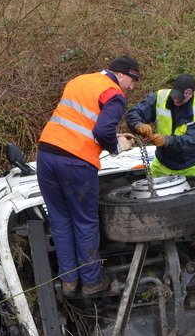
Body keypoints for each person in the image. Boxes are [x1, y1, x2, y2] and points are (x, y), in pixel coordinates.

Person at [36, 56, 140, 296]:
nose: (131, 87)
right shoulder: (114, 93)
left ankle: (69, 283)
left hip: (46, 156)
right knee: (85, 222)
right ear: (121, 74)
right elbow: (101, 130)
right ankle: (92, 282)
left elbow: (78, 120)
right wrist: (116, 146)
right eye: (132, 81)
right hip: (75, 163)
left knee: (61, 221)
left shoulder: (79, 81)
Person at [125, 73, 195, 266]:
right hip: (164, 163)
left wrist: (168, 140)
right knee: (151, 202)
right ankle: (158, 246)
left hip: (192, 165)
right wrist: (138, 124)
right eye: (174, 96)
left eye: (179, 98)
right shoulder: (160, 97)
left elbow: (193, 141)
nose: (175, 100)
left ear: (189, 93)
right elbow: (134, 112)